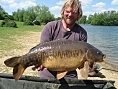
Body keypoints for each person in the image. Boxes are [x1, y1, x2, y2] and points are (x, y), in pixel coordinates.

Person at [38, 0, 87, 79]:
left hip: (70, 74)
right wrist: (39, 62)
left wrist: (85, 64)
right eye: (67, 11)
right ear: (63, 11)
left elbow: (80, 65)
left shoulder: (82, 33)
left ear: (78, 15)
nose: (70, 15)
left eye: (74, 12)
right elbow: (42, 51)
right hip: (47, 71)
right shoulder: (50, 27)